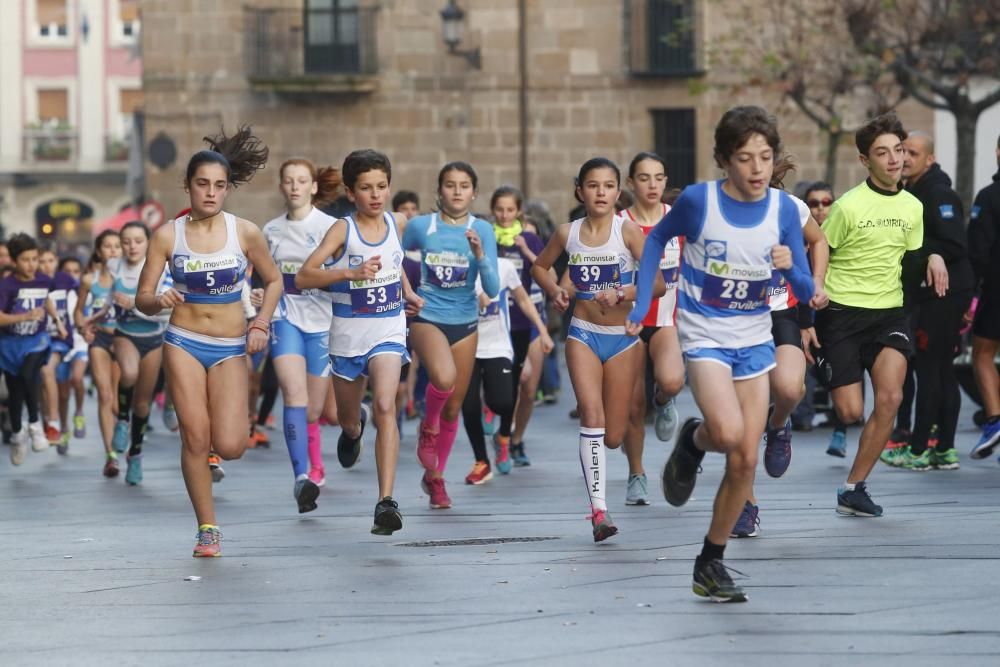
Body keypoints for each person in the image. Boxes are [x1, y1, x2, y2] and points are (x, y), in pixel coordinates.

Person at [628, 106, 814, 602]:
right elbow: (656, 243)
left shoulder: (782, 210)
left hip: (755, 337)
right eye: (744, 158)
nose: (756, 168)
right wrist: (645, 298)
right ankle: (695, 438)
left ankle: (709, 563)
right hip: (704, 332)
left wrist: (791, 263)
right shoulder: (698, 201)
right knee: (730, 434)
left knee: (744, 458)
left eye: (764, 157)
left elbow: (804, 284)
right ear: (723, 160)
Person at [135, 125, 281, 557]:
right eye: (203, 184)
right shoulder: (168, 235)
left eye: (220, 186)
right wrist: (158, 299)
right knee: (195, 440)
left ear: (228, 189)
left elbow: (273, 281)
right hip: (183, 340)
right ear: (189, 186)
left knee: (232, 445)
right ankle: (207, 527)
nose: (211, 193)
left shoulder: (245, 232)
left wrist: (261, 324)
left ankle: (217, 453)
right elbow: (143, 298)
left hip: (232, 346)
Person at [814, 112, 946, 518]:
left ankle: (854, 487)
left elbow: (914, 252)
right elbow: (820, 251)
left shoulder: (912, 206)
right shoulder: (847, 207)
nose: (894, 159)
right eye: (883, 152)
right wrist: (811, 299)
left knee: (890, 397)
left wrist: (935, 256)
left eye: (900, 151)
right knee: (851, 411)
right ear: (864, 160)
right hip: (841, 313)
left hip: (890, 313)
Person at [533, 157, 662, 542]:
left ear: (618, 192)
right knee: (591, 416)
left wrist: (622, 291)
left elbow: (658, 283)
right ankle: (598, 511)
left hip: (622, 339)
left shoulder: (629, 232)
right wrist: (555, 289)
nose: (601, 192)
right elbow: (540, 268)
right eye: (593, 185)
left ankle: (621, 467)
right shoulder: (566, 233)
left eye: (608, 186)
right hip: (583, 333)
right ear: (580, 191)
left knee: (614, 435)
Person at [297, 148, 423, 534]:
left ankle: (386, 502)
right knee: (346, 418)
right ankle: (355, 430)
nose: (376, 195)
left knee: (387, 404)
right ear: (351, 193)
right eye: (366, 188)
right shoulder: (342, 230)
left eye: (382, 186)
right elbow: (304, 276)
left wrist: (408, 292)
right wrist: (348, 273)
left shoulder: (397, 221)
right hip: (348, 336)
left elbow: (395, 262)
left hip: (387, 329)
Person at [402, 161, 499, 509]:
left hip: (466, 322)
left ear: (474, 192)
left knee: (454, 406)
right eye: (450, 185)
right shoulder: (421, 227)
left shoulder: (482, 229)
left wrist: (480, 257)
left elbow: (493, 288)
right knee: (443, 378)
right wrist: (406, 293)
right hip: (427, 316)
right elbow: (389, 256)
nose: (457, 191)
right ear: (439, 190)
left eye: (464, 186)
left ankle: (436, 479)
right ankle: (426, 429)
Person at [879, 132, 972, 470]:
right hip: (932, 294)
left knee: (932, 371)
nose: (904, 159)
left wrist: (931, 252)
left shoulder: (937, 193)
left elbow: (956, 244)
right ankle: (944, 450)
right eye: (902, 152)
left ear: (929, 159)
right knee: (941, 371)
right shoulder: (913, 192)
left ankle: (919, 450)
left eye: (912, 153)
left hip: (944, 295)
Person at [263, 158, 341, 511]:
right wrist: (257, 297)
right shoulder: (270, 231)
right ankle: (301, 478)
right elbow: (265, 277)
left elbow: (344, 273)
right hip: (286, 318)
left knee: (316, 410)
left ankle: (357, 416)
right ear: (281, 186)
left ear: (313, 187)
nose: (294, 187)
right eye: (288, 181)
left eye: (301, 181)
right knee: (294, 396)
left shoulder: (331, 227)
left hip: (323, 322)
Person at [620, 152, 684, 506]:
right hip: (628, 324)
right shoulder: (619, 224)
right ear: (631, 184)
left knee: (673, 380)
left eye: (659, 177)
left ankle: (665, 399)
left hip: (665, 320)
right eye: (644, 178)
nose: (653, 185)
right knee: (632, 405)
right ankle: (637, 474)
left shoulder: (678, 220)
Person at [463, 256, 553, 484]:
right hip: (466, 345)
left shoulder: (503, 266)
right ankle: (481, 462)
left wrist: (543, 331)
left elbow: (523, 300)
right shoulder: (460, 268)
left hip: (497, 345)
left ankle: (503, 437)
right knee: (469, 406)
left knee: (503, 401)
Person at [108, 222, 170, 485]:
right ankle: (121, 419)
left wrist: (135, 304)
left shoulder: (160, 268)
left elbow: (168, 309)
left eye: (138, 241)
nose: (132, 246)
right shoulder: (114, 267)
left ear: (147, 243)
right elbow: (100, 293)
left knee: (143, 403)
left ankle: (135, 454)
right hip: (125, 334)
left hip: (154, 338)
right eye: (126, 241)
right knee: (129, 373)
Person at [490, 186, 547, 468]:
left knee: (528, 386)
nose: (504, 215)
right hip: (497, 322)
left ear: (519, 212)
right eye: (499, 209)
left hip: (528, 320)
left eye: (510, 210)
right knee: (505, 385)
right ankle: (501, 426)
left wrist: (526, 250)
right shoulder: (486, 237)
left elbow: (548, 273)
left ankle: (516, 439)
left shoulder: (530, 239)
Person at [0, 233, 66, 463]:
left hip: (37, 340)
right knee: (15, 393)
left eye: (34, 259)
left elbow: (47, 299)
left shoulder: (43, 280)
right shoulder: (7, 285)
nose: (32, 265)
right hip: (9, 345)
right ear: (15, 261)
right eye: (26, 260)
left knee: (30, 375)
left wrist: (57, 322)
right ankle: (18, 435)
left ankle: (36, 425)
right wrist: (25, 316)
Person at [75, 231, 123, 475]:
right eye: (107, 246)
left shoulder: (131, 278)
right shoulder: (89, 280)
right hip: (100, 340)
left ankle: (124, 429)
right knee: (104, 396)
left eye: (117, 246)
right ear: (99, 251)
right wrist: (83, 329)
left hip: (124, 340)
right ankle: (110, 456)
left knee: (116, 402)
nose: (113, 250)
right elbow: (78, 312)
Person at [968, 134, 1000, 460]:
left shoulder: (989, 197)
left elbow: (977, 251)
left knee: (982, 354)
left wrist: (971, 292)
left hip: (995, 290)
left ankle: (994, 420)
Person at [37, 248, 78, 446]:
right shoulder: (33, 282)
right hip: (39, 340)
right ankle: (51, 422)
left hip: (62, 339)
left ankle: (62, 425)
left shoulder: (66, 280)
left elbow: (82, 301)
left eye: (50, 260)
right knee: (45, 376)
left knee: (62, 391)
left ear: (56, 260)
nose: (46, 265)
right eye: (41, 260)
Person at [55, 255, 88, 453]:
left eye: (76, 271)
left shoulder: (83, 292)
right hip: (61, 345)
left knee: (77, 378)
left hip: (80, 343)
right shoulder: (55, 293)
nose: (72, 276)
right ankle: (64, 427)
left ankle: (79, 412)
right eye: (67, 272)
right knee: (63, 393)